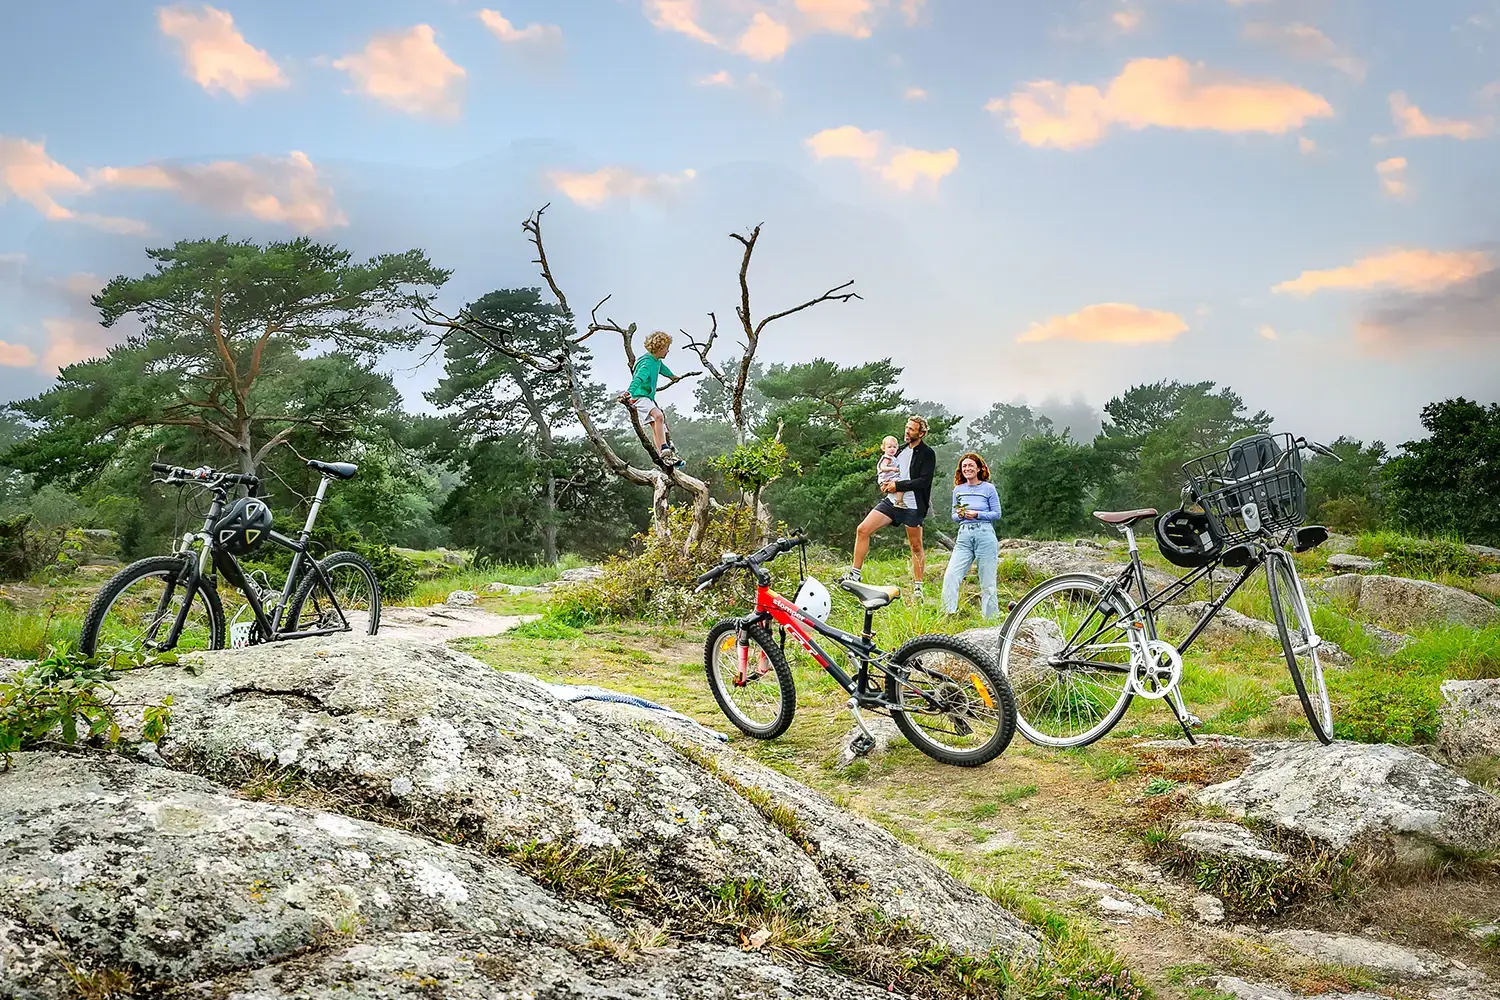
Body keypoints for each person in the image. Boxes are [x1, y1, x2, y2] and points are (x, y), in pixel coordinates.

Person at [848, 415, 935, 600]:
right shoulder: (899, 450)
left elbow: (924, 481)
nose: (907, 431)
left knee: (916, 545)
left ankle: (918, 587)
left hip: (913, 505)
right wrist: (885, 484)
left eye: (911, 429)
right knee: (863, 529)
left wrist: (898, 486)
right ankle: (855, 574)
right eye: (906, 427)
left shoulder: (927, 453)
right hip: (891, 501)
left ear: (921, 433)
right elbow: (885, 468)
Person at [941, 452, 1002, 619]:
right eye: (964, 466)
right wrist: (960, 515)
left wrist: (977, 514)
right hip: (964, 536)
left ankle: (990, 620)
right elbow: (954, 515)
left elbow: (997, 514)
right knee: (951, 575)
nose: (967, 468)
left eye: (970, 465)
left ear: (979, 468)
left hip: (984, 534)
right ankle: (948, 614)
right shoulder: (958, 490)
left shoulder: (988, 488)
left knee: (987, 582)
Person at [618, 331, 685, 468]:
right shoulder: (647, 363)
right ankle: (664, 448)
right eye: (666, 348)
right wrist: (629, 392)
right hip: (639, 397)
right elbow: (638, 378)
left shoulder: (656, 361)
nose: (668, 351)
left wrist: (672, 376)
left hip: (646, 397)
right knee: (658, 416)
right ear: (659, 348)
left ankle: (665, 456)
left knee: (656, 425)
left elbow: (662, 368)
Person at [876, 436, 909, 510]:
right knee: (902, 484)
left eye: (894, 447)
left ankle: (898, 500)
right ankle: (898, 501)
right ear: (884, 448)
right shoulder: (887, 458)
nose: (892, 449)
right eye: (889, 447)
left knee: (901, 484)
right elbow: (882, 467)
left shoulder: (893, 458)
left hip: (891, 477)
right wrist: (892, 468)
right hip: (886, 479)